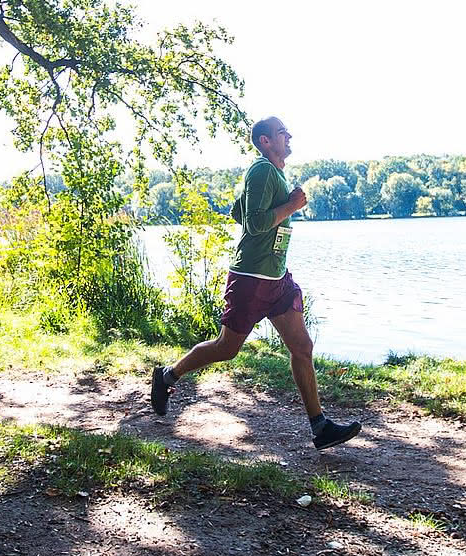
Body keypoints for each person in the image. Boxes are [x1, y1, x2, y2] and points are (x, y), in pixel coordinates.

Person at [151, 116, 363, 450]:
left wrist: (280, 206)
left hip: (276, 279)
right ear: (266, 141)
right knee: (227, 348)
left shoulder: (273, 173)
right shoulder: (263, 170)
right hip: (251, 279)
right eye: (281, 132)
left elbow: (238, 211)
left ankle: (319, 427)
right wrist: (292, 205)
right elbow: (253, 223)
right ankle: (167, 376)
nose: (289, 135)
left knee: (302, 347)